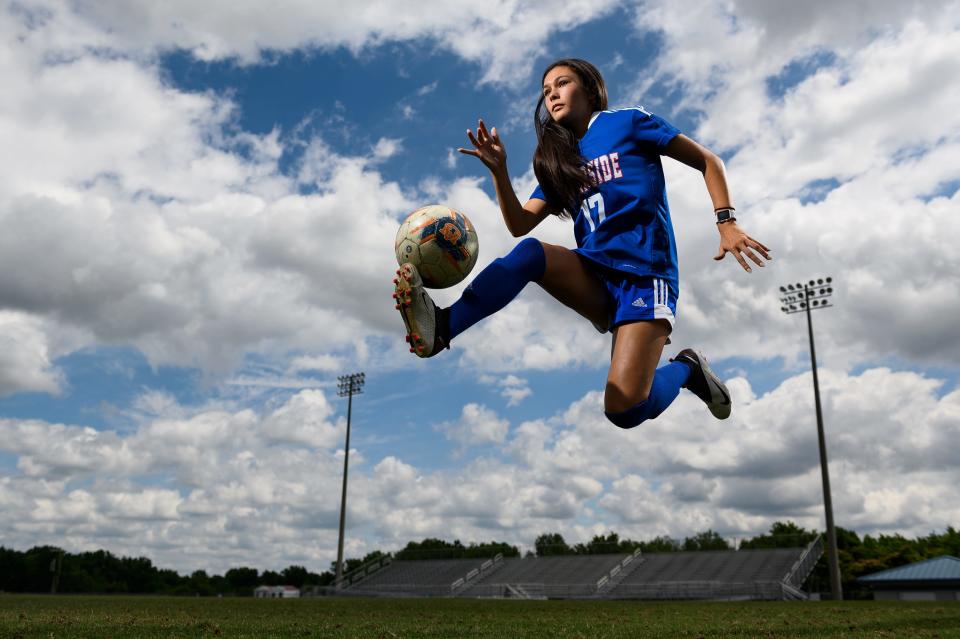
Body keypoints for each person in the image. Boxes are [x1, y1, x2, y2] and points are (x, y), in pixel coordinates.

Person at [393, 58, 770, 427]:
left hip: (644, 276)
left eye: (562, 83)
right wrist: (499, 171)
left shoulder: (628, 122)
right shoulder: (562, 160)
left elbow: (709, 161)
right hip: (594, 274)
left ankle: (687, 369)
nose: (552, 95)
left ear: (590, 90)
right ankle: (443, 327)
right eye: (546, 91)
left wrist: (727, 222)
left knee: (624, 410)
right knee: (530, 254)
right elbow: (520, 223)